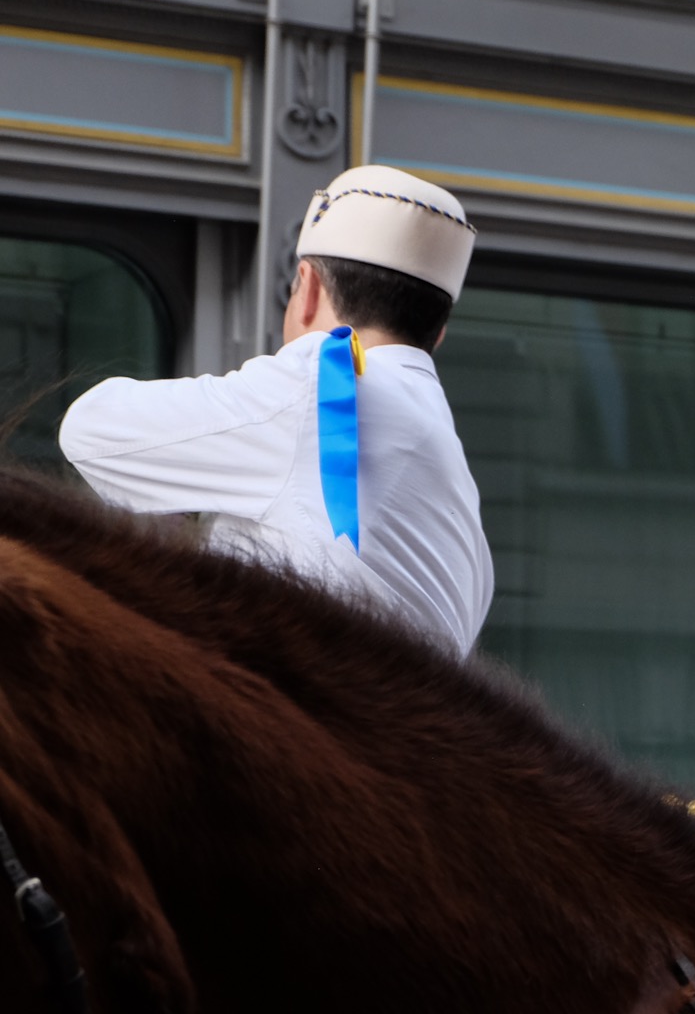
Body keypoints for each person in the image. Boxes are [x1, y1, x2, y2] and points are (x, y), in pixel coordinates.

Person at [59, 165, 493, 655]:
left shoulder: (319, 383)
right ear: (438, 333)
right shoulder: (453, 469)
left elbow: (91, 430)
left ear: (306, 289)